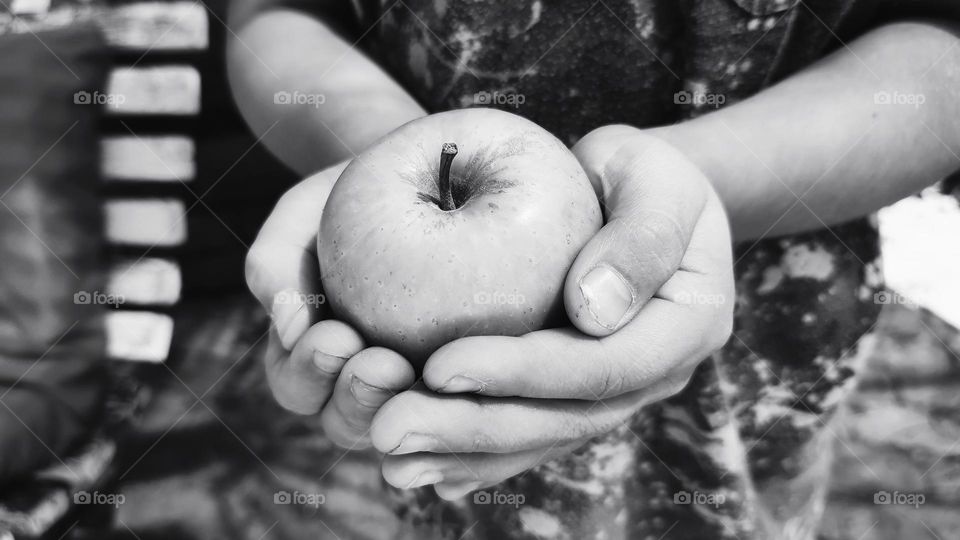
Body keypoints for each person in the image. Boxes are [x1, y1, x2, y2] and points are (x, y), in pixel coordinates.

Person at [229, 0, 960, 537]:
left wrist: (691, 186)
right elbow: (271, 15)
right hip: (412, 363)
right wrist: (372, 143)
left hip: (758, 314)